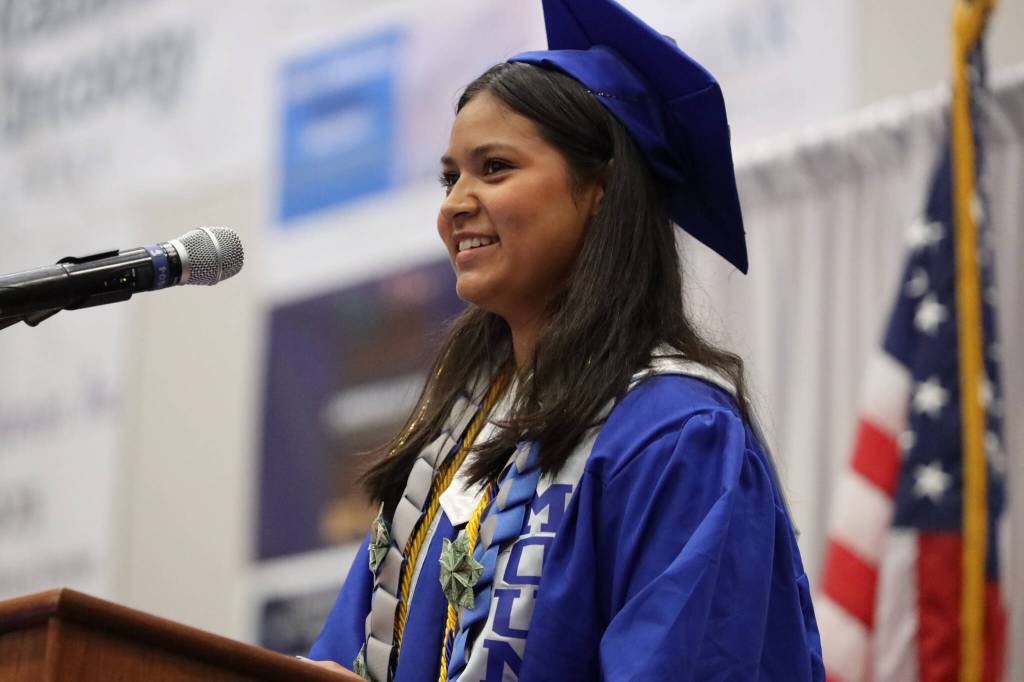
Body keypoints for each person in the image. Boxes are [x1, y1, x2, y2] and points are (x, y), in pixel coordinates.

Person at [307, 0, 824, 679]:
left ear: (600, 188)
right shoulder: (447, 444)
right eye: (449, 176)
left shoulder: (675, 437)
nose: (456, 201)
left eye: (494, 168)